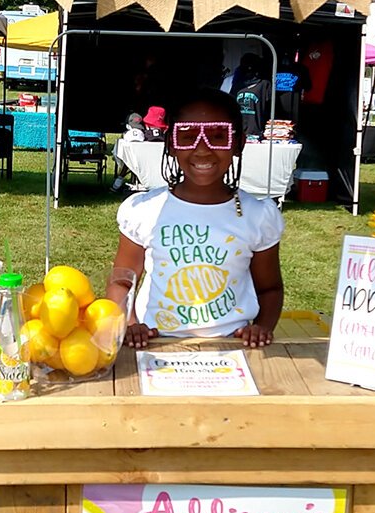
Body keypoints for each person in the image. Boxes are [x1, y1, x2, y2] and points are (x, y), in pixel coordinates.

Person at [112, 89, 284, 349]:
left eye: (217, 136)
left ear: (238, 144)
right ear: (171, 144)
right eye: (188, 137)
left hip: (234, 349)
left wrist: (262, 327)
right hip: (154, 344)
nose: (202, 149)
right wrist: (129, 323)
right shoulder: (144, 211)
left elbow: (270, 289)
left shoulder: (258, 216)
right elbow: (122, 281)